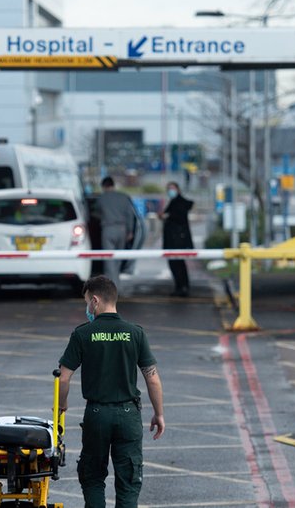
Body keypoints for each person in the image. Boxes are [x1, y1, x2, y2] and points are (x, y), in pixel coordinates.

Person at [58, 275, 165, 508]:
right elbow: (152, 378)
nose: (87, 307)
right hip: (128, 415)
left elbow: (63, 378)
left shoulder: (82, 334)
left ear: (95, 300)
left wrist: (61, 405)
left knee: (93, 477)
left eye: (87, 302)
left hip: (97, 415)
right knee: (128, 481)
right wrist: (159, 413)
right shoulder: (135, 333)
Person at [94, 177, 135, 288]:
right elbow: (130, 215)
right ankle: (116, 284)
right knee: (118, 258)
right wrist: (130, 231)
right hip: (122, 229)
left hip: (108, 229)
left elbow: (96, 213)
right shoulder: (124, 197)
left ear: (104, 186)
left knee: (109, 259)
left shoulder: (102, 198)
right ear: (113, 185)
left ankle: (111, 286)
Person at [158, 182, 193, 297]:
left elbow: (177, 216)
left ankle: (182, 287)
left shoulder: (179, 203)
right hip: (174, 239)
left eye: (172, 188)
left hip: (176, 240)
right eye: (168, 189)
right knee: (177, 264)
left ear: (178, 189)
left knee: (177, 263)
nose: (170, 191)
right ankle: (181, 286)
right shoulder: (174, 202)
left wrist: (167, 216)